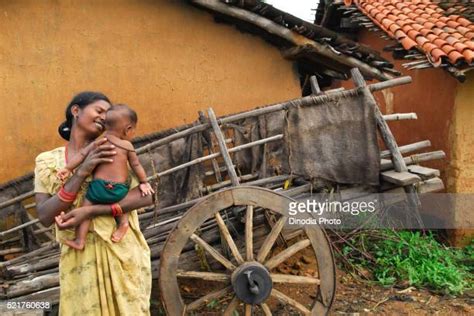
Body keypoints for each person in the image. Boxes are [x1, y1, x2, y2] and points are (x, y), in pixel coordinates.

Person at [34, 91, 153, 315]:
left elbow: (146, 196)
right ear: (76, 111)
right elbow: (44, 216)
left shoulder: (114, 148)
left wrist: (91, 211)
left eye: (107, 114)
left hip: (121, 252)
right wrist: (82, 171)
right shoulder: (48, 161)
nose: (103, 117)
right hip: (80, 263)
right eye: (99, 111)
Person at [57, 104, 154, 250]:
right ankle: (123, 224)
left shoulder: (99, 142)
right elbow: (136, 165)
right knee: (123, 205)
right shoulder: (127, 146)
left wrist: (67, 168)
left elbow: (82, 155)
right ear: (128, 129)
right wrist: (144, 182)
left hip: (98, 189)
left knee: (85, 212)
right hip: (118, 190)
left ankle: (79, 241)